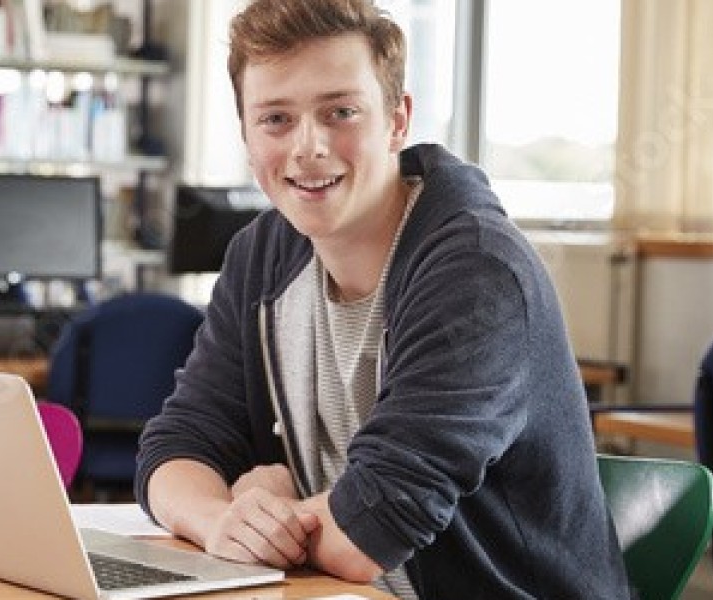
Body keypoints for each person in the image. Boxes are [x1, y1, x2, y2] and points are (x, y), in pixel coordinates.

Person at [134, 0, 631, 598]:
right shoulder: (261, 254)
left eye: (340, 111)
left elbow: (371, 528)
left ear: (397, 121)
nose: (307, 147)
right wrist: (224, 521)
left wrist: (272, 502)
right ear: (245, 133)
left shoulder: (476, 273)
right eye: (275, 119)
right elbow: (175, 449)